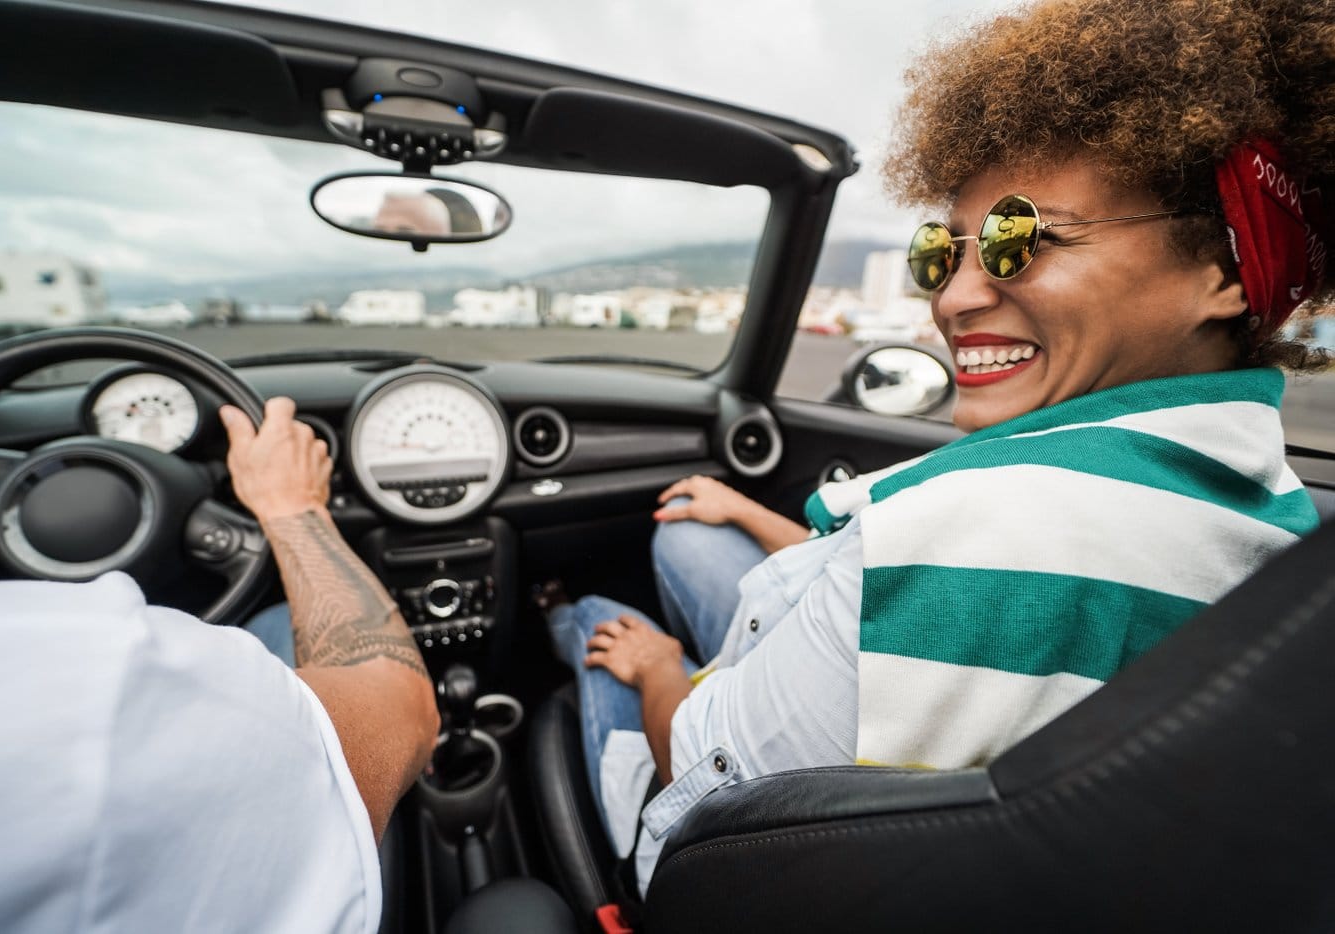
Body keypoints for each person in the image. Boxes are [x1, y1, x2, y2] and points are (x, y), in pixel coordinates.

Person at [544, 0, 1333, 894]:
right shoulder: (1267, 509)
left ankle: (557, 610)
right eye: (942, 252)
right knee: (690, 534)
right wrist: (754, 518)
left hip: (719, 857)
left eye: (1019, 240)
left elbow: (705, 786)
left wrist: (656, 673)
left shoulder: (970, 529)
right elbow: (918, 589)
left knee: (605, 627)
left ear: (1222, 274)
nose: (953, 300)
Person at [0, 397, 440, 932]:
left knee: (274, 622)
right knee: (286, 621)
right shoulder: (94, 674)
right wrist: (290, 505)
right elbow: (403, 707)